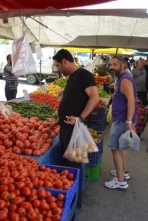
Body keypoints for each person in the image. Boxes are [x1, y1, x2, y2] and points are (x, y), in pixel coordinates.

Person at [49, 49, 99, 211]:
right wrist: (57, 121)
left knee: (73, 168)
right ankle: (70, 202)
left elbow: (95, 97)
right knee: (68, 166)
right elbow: (72, 101)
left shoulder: (84, 75)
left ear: (64, 61)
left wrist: (81, 118)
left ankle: (75, 205)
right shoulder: (71, 77)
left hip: (76, 130)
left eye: (58, 65)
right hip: (66, 128)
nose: (58, 69)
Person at [105, 56, 137, 190]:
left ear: (123, 65)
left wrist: (128, 121)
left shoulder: (124, 79)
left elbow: (131, 100)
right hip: (122, 118)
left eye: (114, 65)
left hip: (122, 120)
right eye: (110, 64)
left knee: (115, 148)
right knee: (121, 146)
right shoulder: (121, 77)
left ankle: (120, 180)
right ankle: (122, 172)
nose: (111, 67)